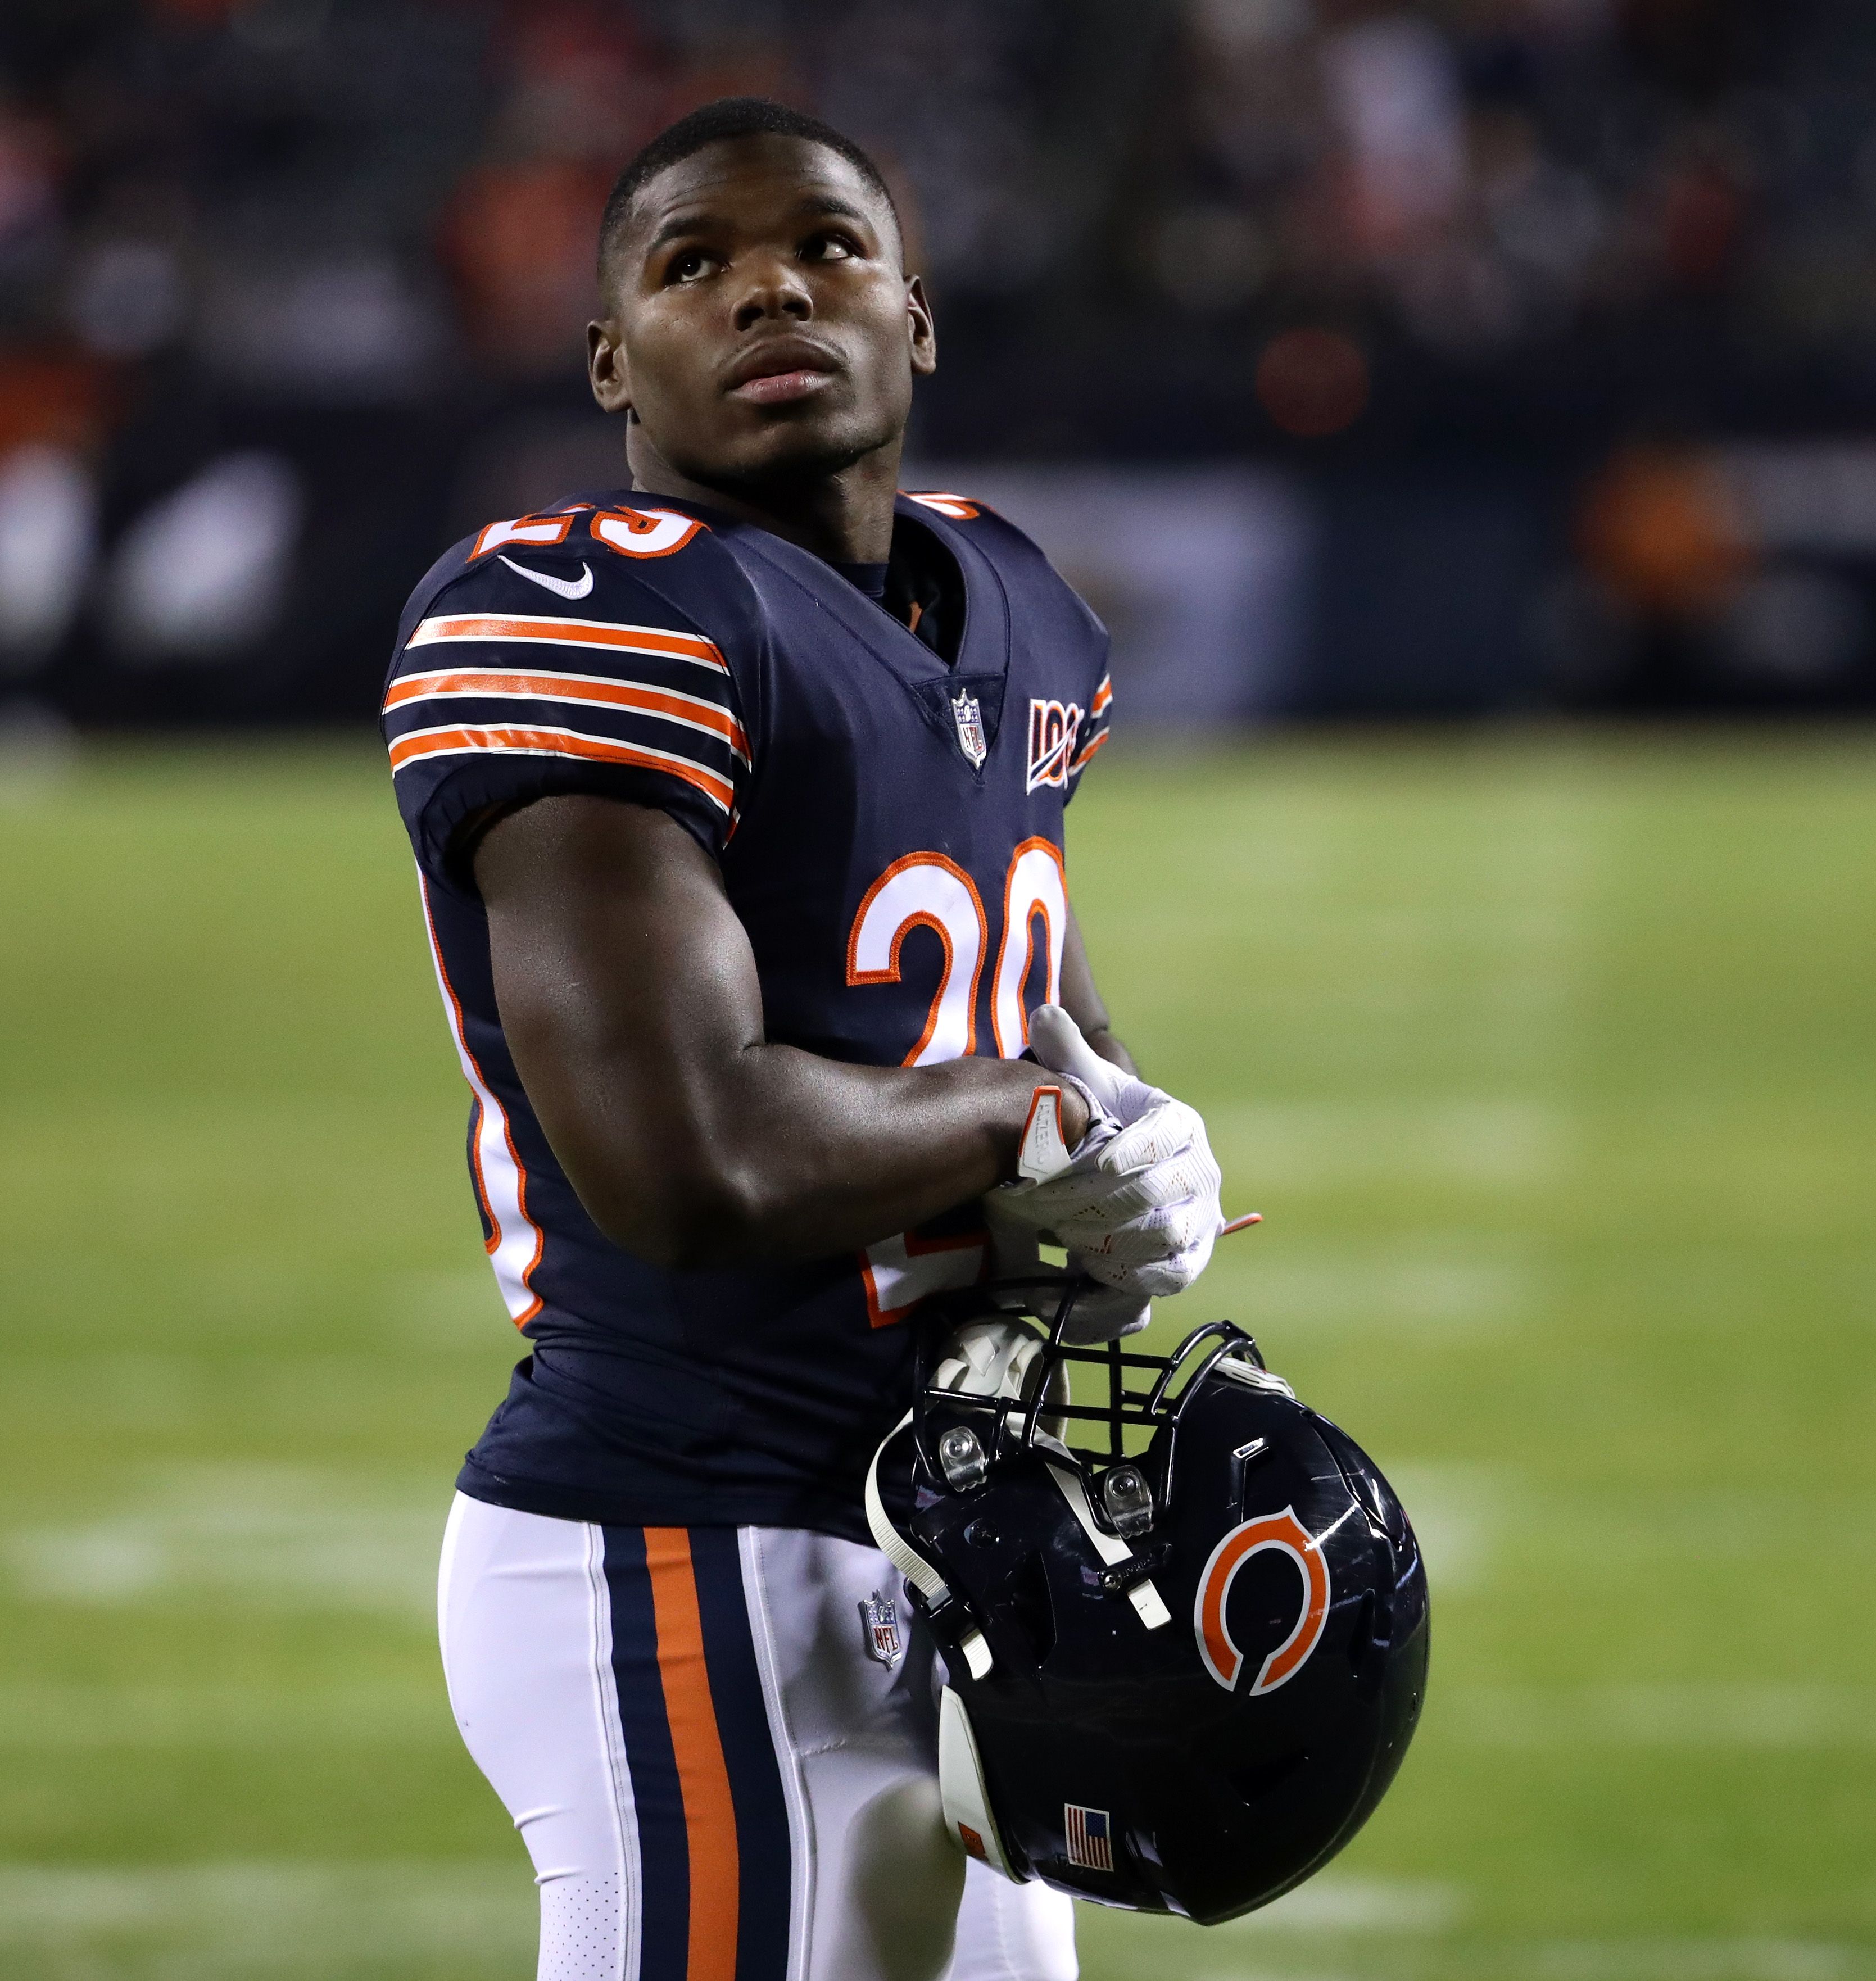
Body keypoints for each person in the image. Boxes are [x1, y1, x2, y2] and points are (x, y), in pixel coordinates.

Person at [386, 98, 1227, 1981]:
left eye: (826, 247)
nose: (769, 287)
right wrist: (1025, 1118)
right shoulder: (581, 612)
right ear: (612, 362)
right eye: (693, 265)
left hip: (941, 1522)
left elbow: (1016, 997)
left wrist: (1118, 1143)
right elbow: (695, 1160)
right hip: (685, 1537)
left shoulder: (1006, 596)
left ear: (913, 315)